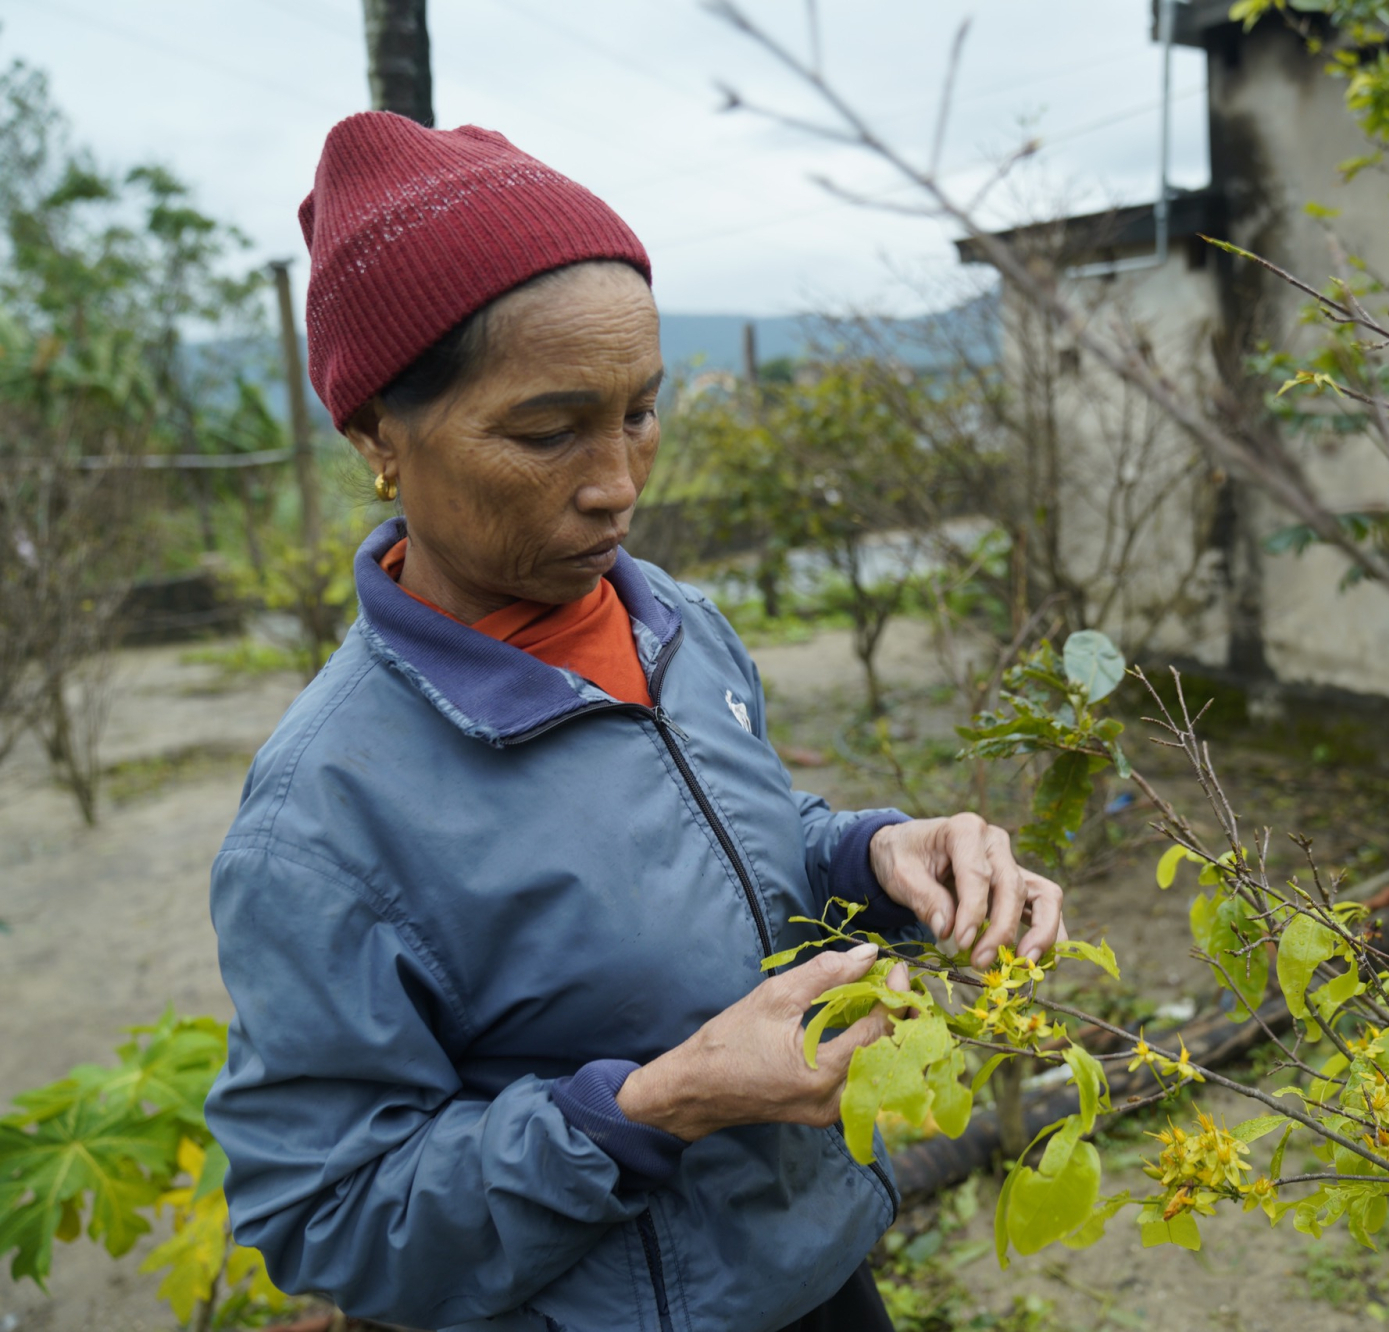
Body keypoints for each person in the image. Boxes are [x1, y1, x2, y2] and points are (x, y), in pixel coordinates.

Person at [205, 112, 1065, 1332]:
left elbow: (724, 849)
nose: (616, 481)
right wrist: (658, 1106)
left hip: (814, 1275)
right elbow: (329, 1213)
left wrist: (870, 857)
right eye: (547, 431)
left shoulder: (676, 627)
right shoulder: (325, 816)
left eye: (640, 413)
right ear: (376, 435)